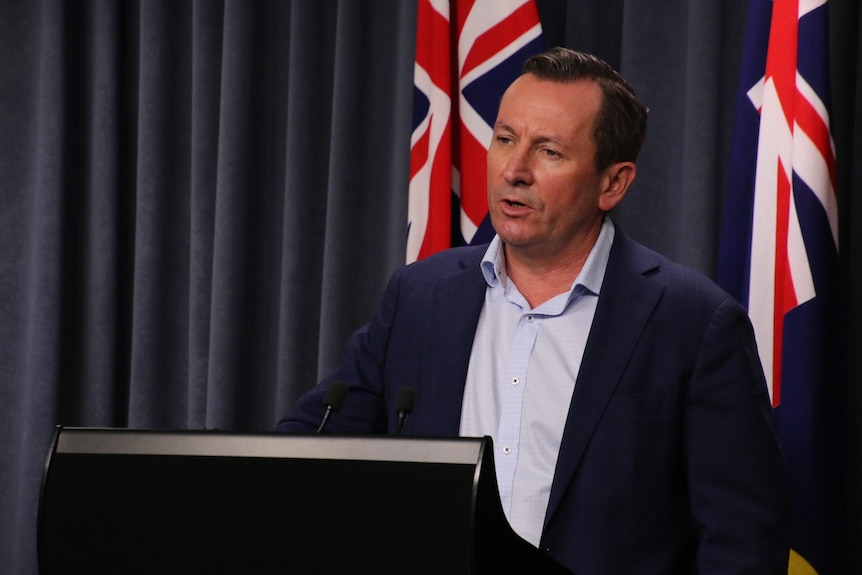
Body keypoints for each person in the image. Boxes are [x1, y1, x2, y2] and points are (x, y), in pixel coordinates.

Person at [277, 47, 789, 575]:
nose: (514, 171)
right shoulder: (420, 298)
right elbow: (311, 450)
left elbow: (743, 542)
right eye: (504, 139)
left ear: (613, 183)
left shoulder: (694, 324)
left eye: (548, 151)